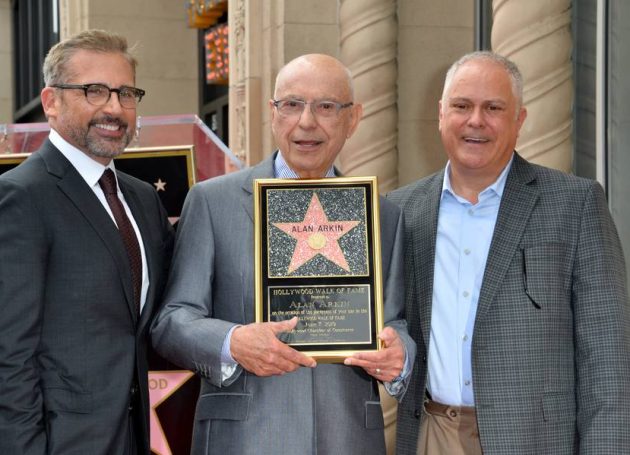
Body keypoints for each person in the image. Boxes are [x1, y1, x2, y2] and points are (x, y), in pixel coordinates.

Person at [151, 53, 416, 454]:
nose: (306, 122)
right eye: (291, 105)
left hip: (346, 439)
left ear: (354, 118)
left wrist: (401, 354)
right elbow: (172, 321)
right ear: (272, 113)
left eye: (326, 107)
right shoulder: (212, 201)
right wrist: (232, 341)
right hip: (243, 439)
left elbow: (396, 320)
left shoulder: (383, 215)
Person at [390, 51, 630, 454]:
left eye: (494, 108)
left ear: (519, 119)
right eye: (462, 106)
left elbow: (607, 359)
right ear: (440, 114)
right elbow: (390, 321)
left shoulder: (575, 204)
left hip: (535, 441)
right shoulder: (402, 211)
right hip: (431, 435)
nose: (475, 121)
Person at [0, 30, 174, 454]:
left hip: (134, 436)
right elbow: (8, 355)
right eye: (94, 91)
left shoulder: (143, 199)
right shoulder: (21, 196)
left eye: (126, 93)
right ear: (51, 101)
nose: (114, 108)